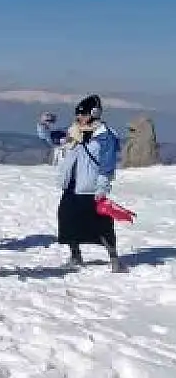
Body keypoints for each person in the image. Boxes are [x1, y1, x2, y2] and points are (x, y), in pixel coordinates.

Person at [38, 95, 127, 272]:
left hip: (91, 187)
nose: (80, 118)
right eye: (78, 114)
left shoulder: (104, 136)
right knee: (68, 220)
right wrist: (43, 125)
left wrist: (102, 187)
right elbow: (51, 139)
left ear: (94, 114)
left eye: (84, 114)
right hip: (72, 185)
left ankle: (114, 258)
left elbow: (107, 164)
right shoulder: (73, 132)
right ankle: (75, 255)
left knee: (101, 225)